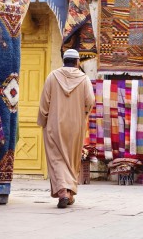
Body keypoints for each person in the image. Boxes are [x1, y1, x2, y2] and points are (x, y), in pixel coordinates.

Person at [37, 49, 95, 208]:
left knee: (57, 158)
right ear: (77, 62)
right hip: (76, 125)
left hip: (55, 125)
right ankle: (68, 194)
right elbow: (90, 101)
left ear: (63, 60)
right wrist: (83, 115)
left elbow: (44, 103)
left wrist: (43, 121)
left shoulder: (52, 77)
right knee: (71, 159)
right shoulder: (84, 79)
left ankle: (62, 191)